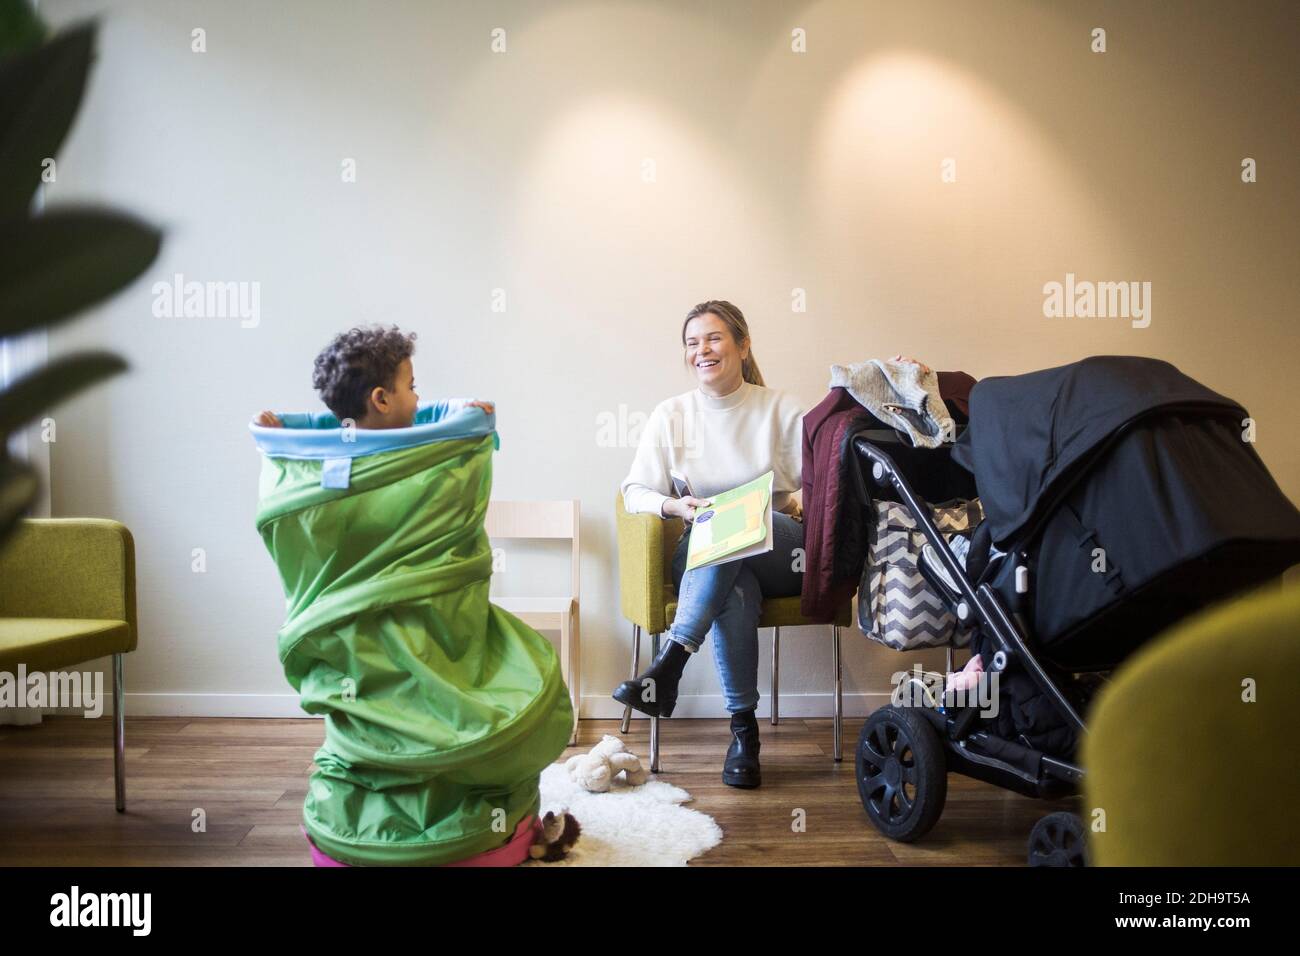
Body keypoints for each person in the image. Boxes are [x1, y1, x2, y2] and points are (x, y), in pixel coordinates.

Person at [613, 300, 808, 788]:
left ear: (742, 345)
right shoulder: (671, 415)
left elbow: (828, 482)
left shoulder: (782, 408)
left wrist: (801, 501)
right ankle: (744, 734)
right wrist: (675, 508)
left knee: (728, 524)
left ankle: (670, 664)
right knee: (732, 579)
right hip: (707, 552)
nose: (702, 350)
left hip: (780, 551)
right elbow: (634, 490)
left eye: (714, 338)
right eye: (692, 342)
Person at [253, 325, 493, 430]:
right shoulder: (418, 442)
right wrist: (273, 426)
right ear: (382, 400)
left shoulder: (335, 443)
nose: (417, 397)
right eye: (411, 387)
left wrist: (466, 410)